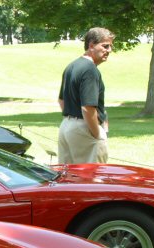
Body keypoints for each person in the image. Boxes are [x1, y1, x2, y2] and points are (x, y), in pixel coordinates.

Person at [57, 27, 114, 164]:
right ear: (91, 45)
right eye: (105, 46)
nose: (109, 50)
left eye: (111, 47)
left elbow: (61, 101)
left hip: (66, 127)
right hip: (84, 129)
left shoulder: (71, 66)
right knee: (93, 180)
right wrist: (96, 133)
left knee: (68, 178)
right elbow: (88, 108)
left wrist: (72, 122)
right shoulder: (90, 70)